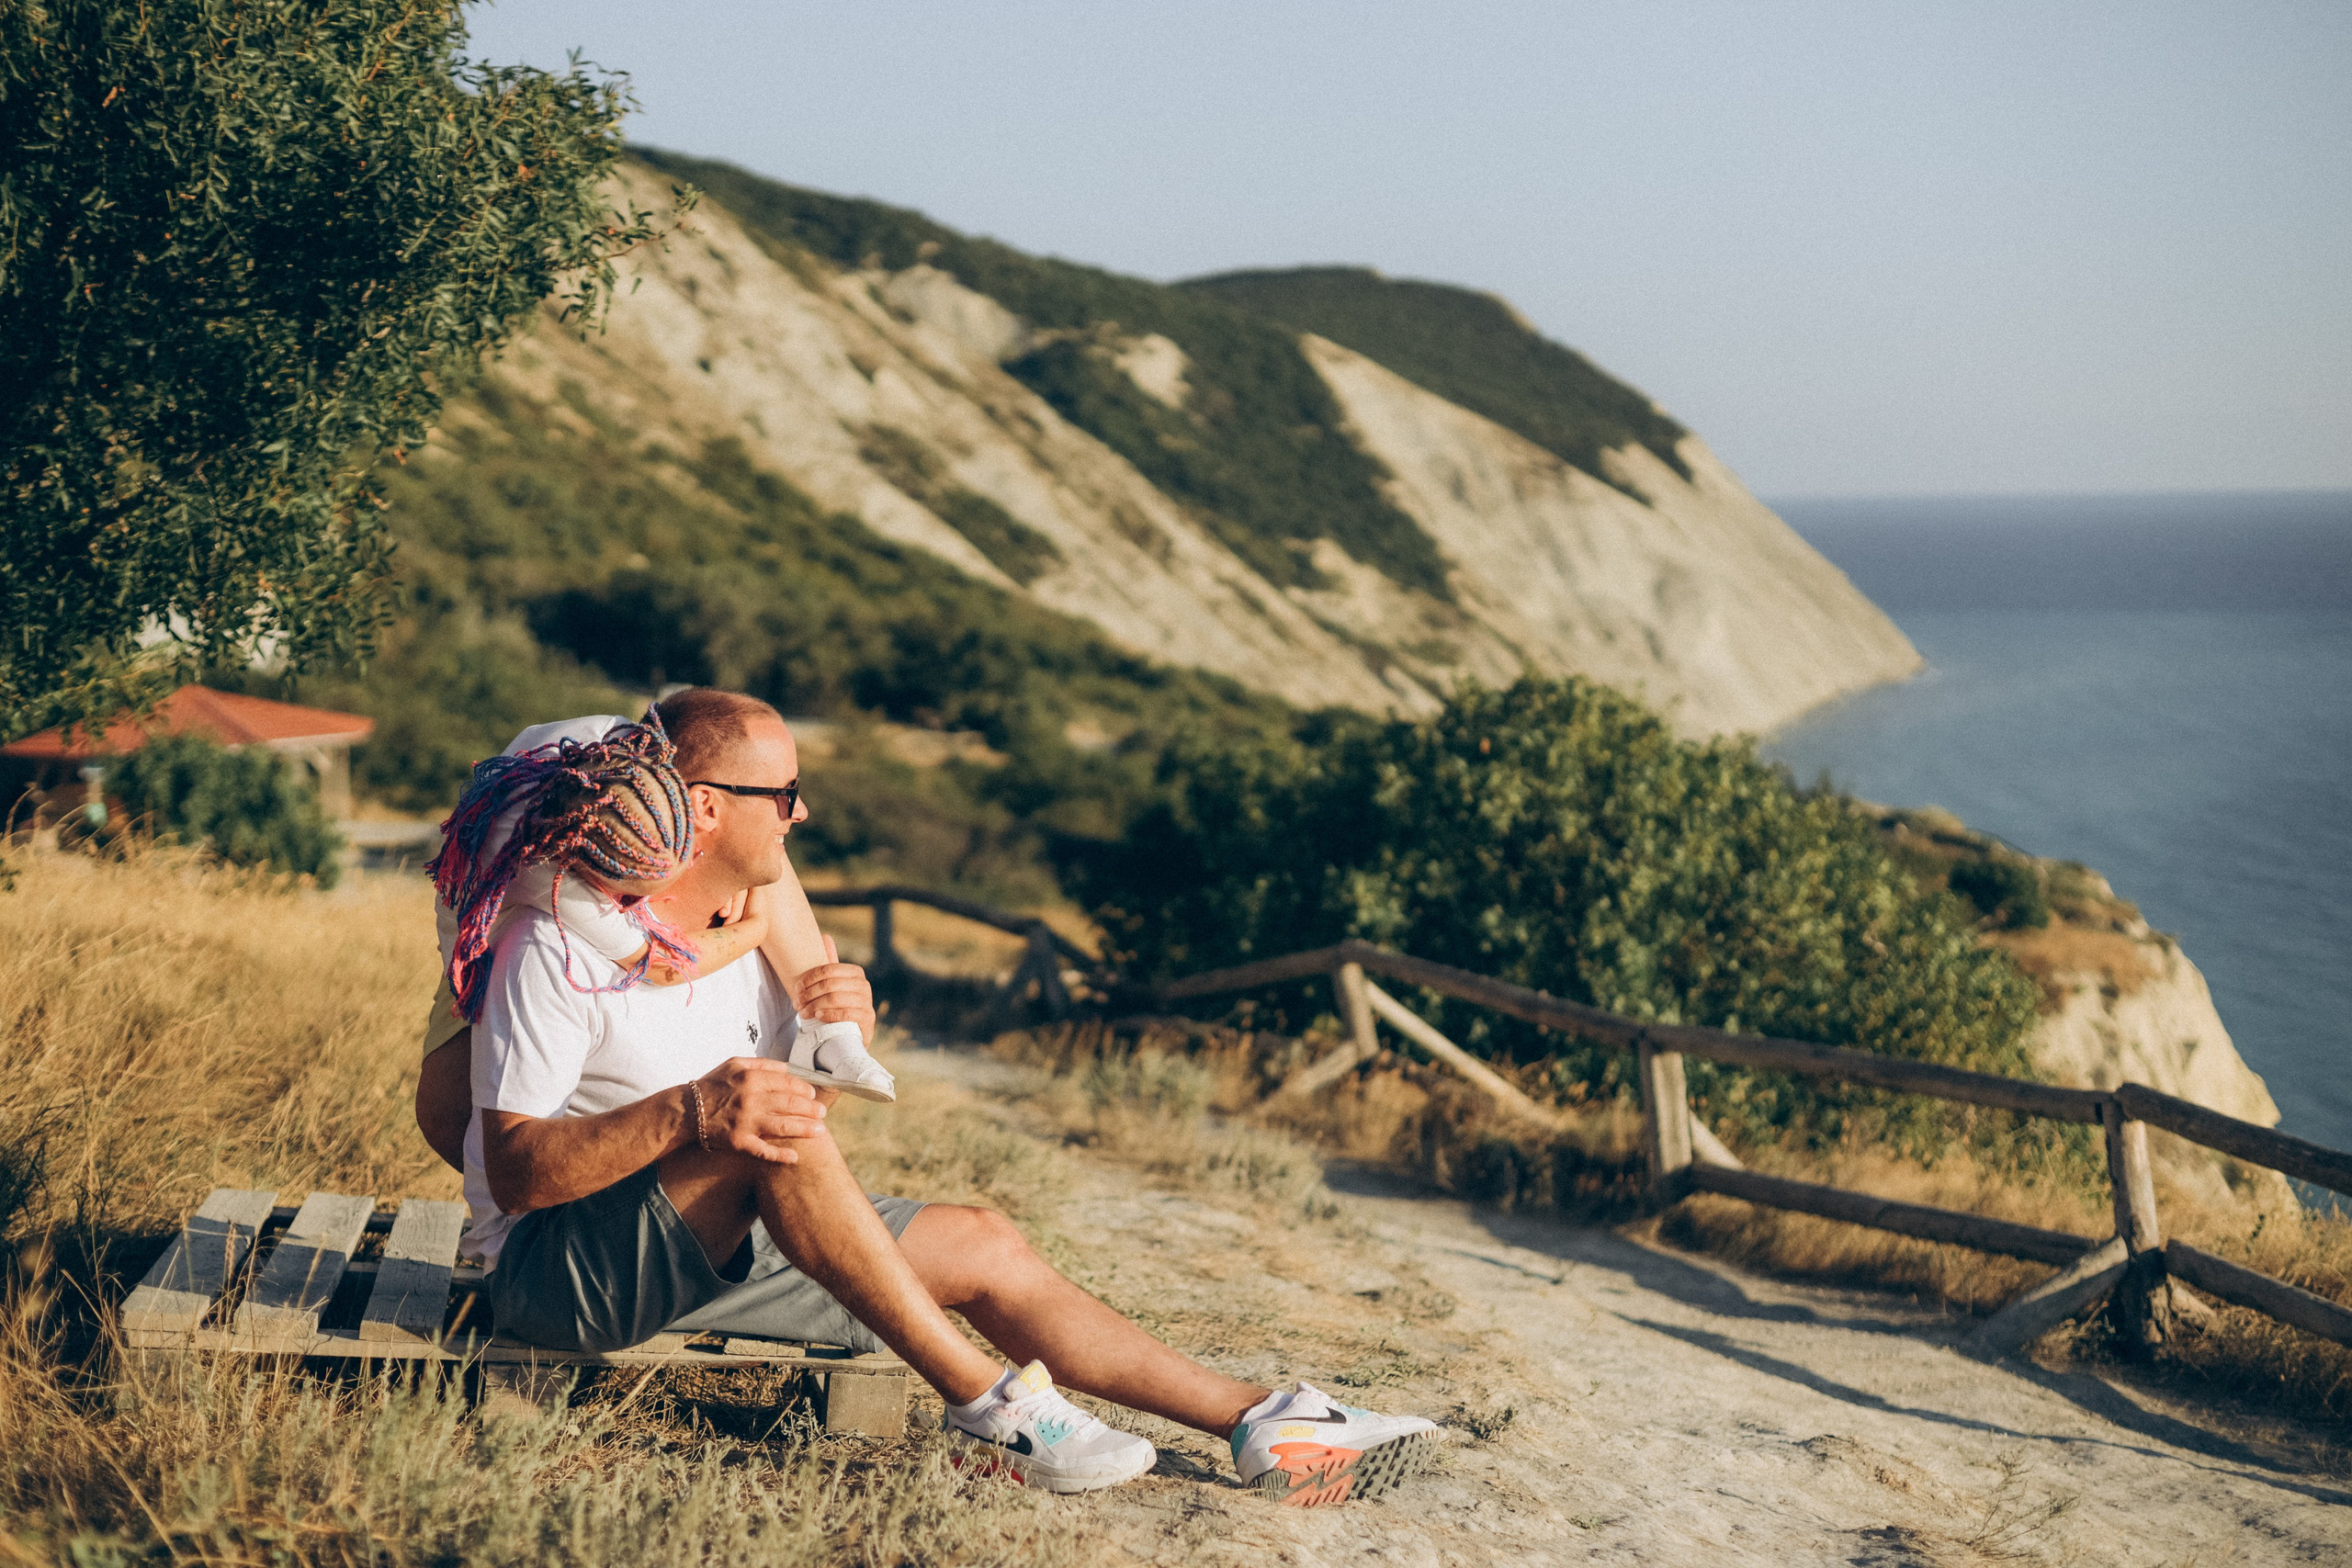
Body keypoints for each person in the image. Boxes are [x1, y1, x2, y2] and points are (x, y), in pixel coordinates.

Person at [459, 686, 1441, 1505]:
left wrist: (828, 1055)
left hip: (701, 1244)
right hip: (556, 1277)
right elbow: (513, 1174)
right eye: (786, 793)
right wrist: (697, 1111)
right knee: (765, 1123)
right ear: (706, 808)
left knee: (984, 1243)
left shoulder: (750, 937)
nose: (802, 813)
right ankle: (990, 1410)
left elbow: (797, 1143)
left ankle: (1263, 1423)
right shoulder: (553, 949)